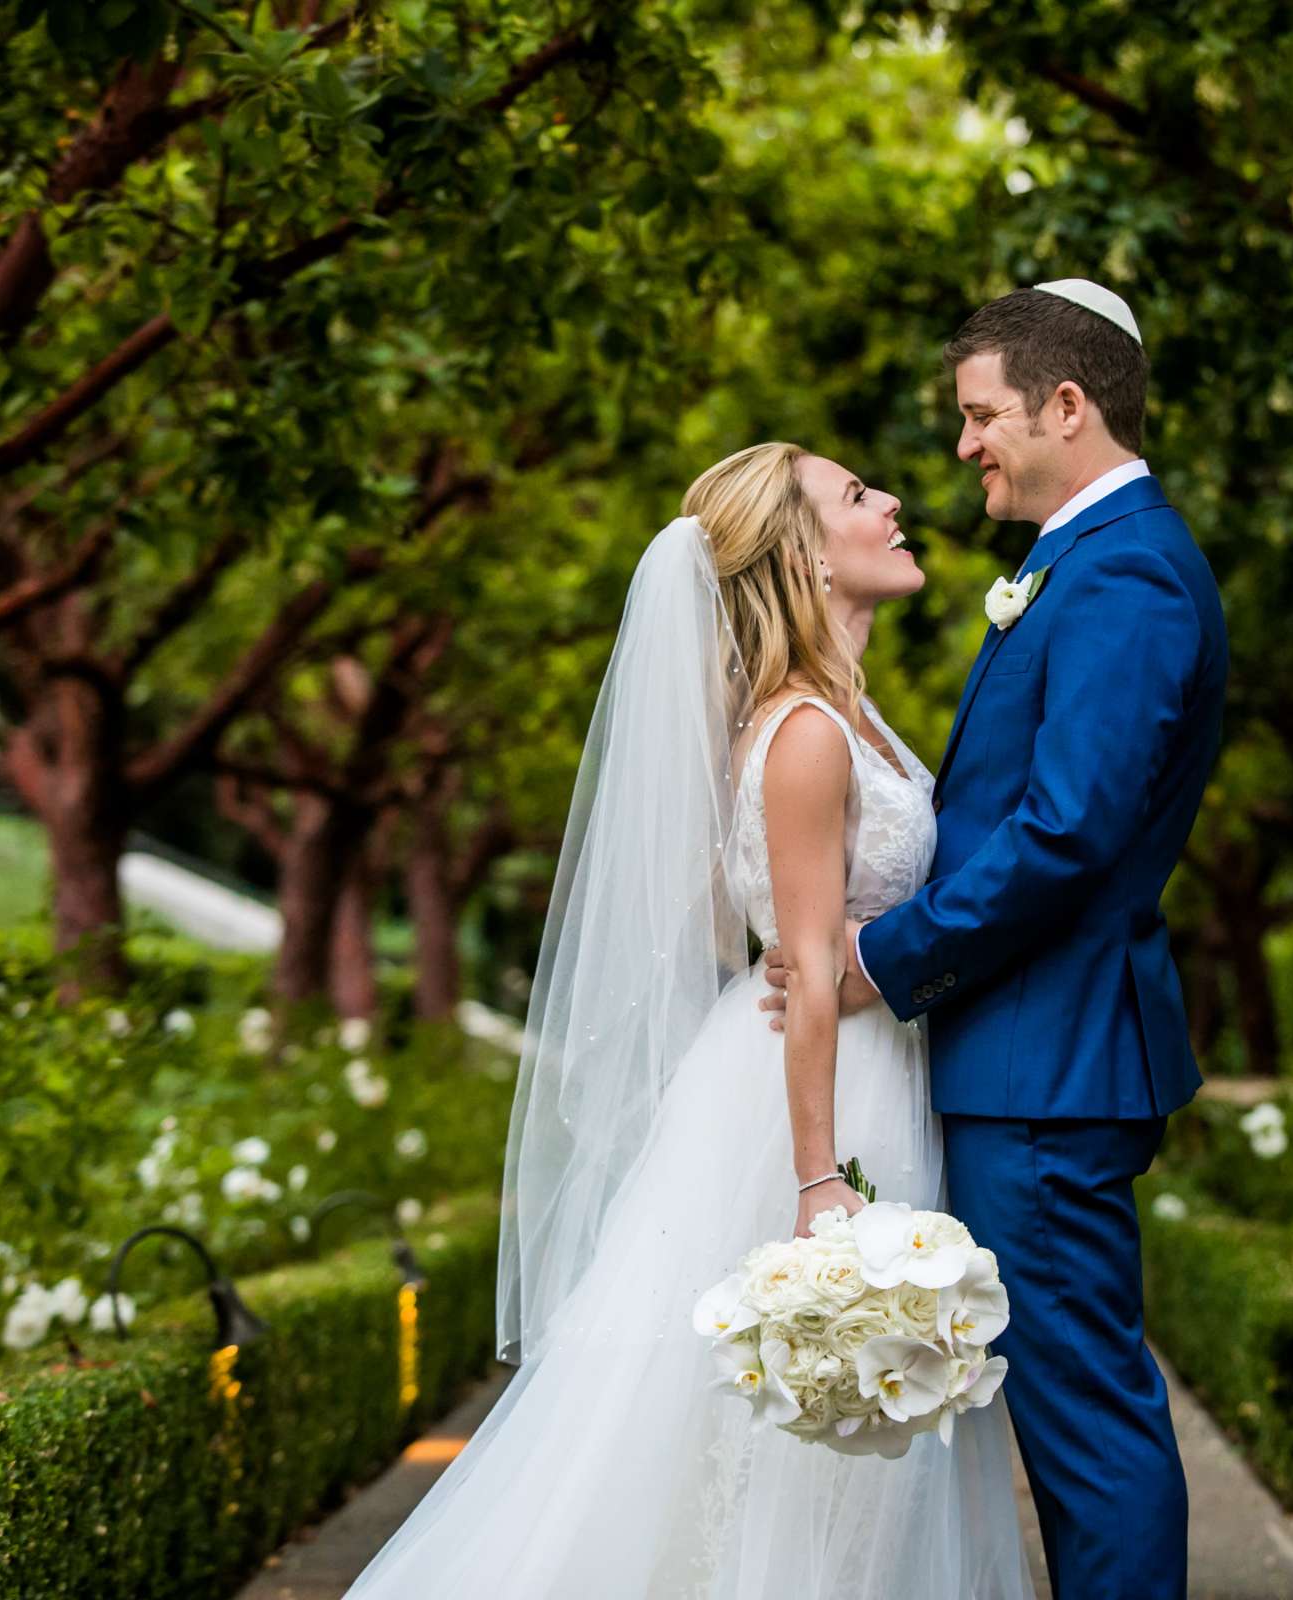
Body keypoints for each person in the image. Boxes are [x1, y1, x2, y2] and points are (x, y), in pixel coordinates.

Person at [344, 442, 1033, 1597]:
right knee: (791, 1437)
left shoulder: (837, 715)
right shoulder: (805, 729)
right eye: (858, 495)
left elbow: (757, 927)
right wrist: (820, 1182)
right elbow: (808, 967)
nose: (894, 502)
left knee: (830, 1438)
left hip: (843, 1063)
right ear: (805, 559)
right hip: (821, 1101)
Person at [765, 280, 1228, 1600]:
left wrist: (880, 957)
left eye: (983, 416)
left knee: (1086, 1426)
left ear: (1066, 407)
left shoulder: (1126, 571)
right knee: (1071, 1417)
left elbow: (1068, 833)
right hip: (1024, 1058)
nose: (964, 446)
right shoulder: (1081, 565)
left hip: (1050, 1065)